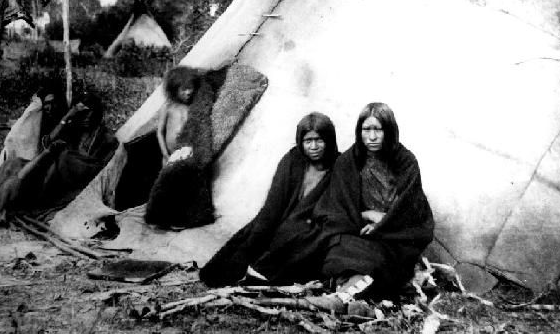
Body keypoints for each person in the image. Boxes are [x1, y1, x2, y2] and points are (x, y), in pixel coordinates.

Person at [310, 102, 434, 308]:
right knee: (340, 250)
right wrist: (366, 214)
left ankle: (344, 298)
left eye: (378, 129)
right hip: (358, 232)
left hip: (394, 238)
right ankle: (349, 296)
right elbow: (338, 207)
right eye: (367, 129)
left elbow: (412, 211)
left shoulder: (406, 162)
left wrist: (383, 222)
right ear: (359, 132)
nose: (372, 137)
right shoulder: (349, 162)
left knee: (378, 262)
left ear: (390, 131)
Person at [200, 112, 339, 286]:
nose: (314, 146)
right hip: (281, 217)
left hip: (310, 228)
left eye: (319, 140)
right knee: (252, 236)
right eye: (308, 141)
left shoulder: (338, 167)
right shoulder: (293, 160)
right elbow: (274, 204)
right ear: (300, 142)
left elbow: (334, 208)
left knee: (293, 245)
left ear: (329, 140)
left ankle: (261, 274)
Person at [0, 92, 118, 223]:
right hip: (56, 169)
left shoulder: (106, 137)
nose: (87, 117)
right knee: (14, 163)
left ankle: (17, 201)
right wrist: (67, 117)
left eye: (90, 112)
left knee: (60, 158)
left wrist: (67, 159)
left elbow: (100, 167)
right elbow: (48, 142)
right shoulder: (75, 131)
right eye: (83, 113)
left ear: (97, 113)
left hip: (71, 179)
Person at [157, 66, 198, 165]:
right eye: (184, 89)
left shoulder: (193, 106)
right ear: (174, 90)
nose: (188, 92)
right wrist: (165, 154)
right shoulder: (168, 107)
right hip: (169, 156)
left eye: (190, 88)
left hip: (187, 154)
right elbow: (160, 132)